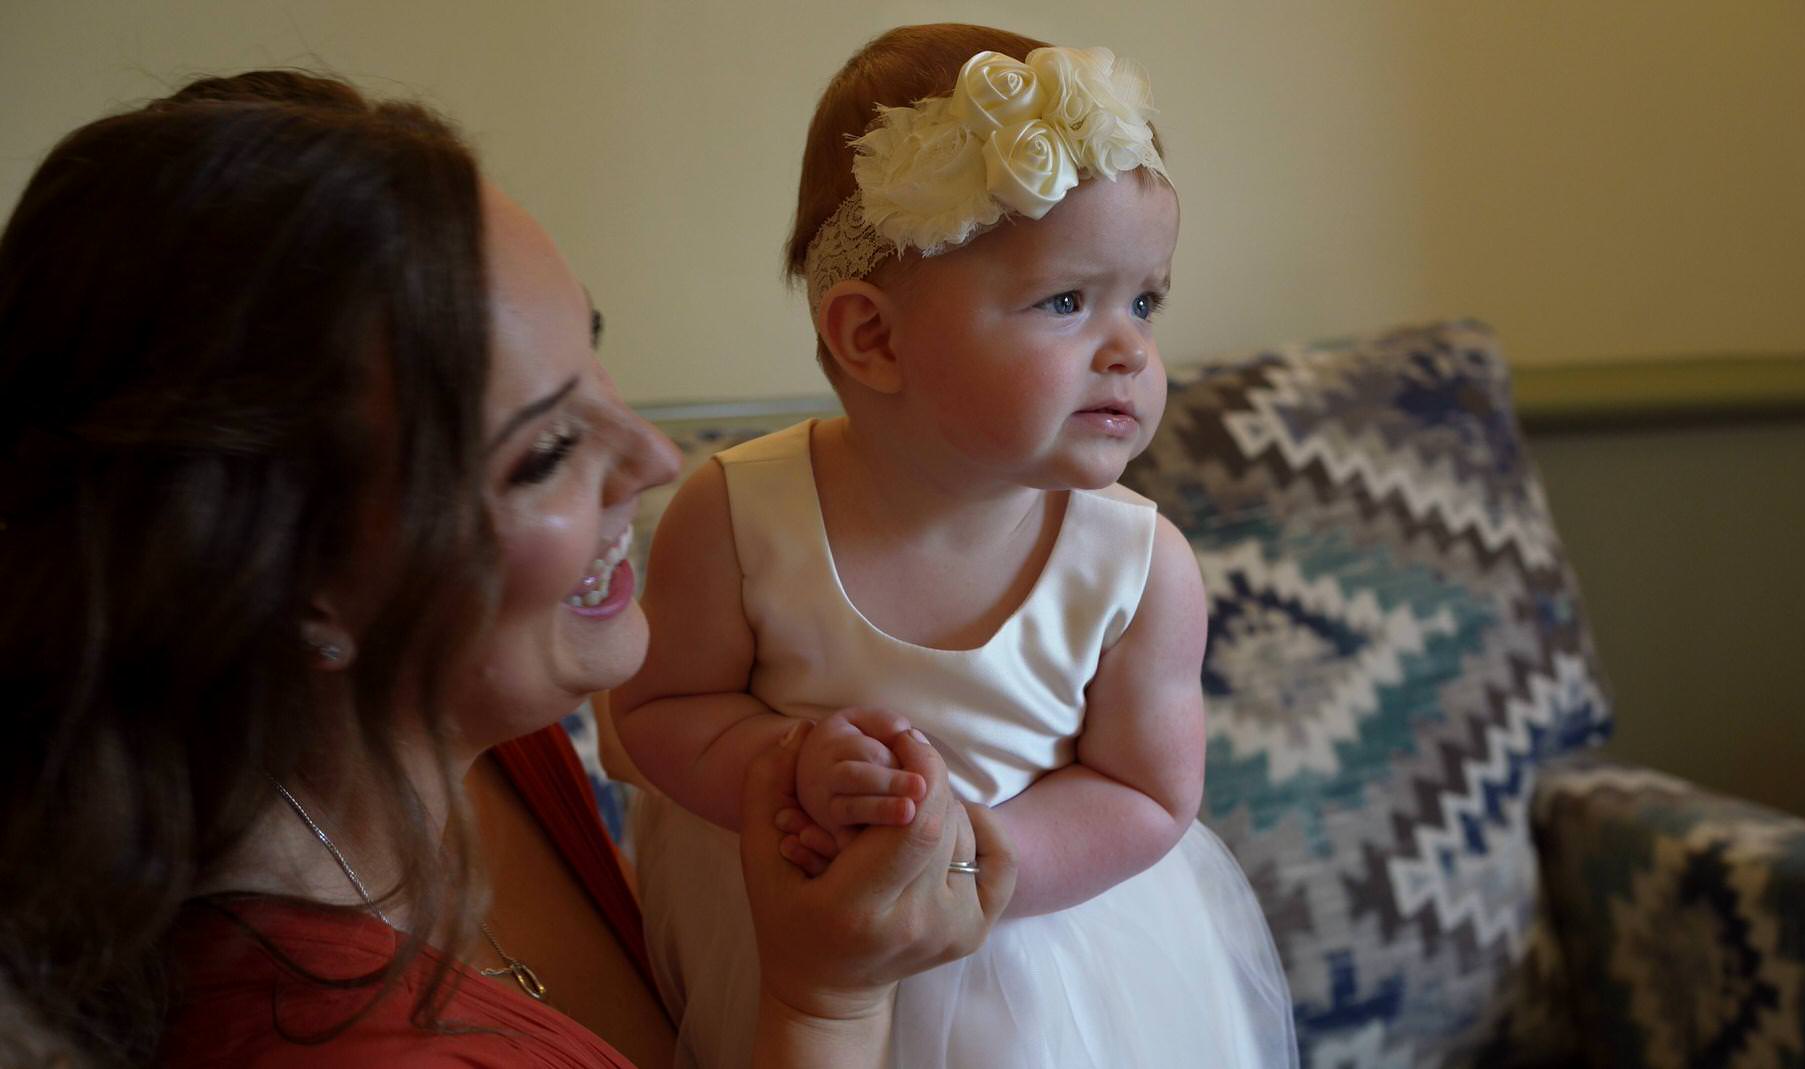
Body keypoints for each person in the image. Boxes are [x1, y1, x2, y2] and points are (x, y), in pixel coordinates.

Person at [0, 70, 1012, 1069]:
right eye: (543, 450)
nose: (656, 461)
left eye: (592, 354)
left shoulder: (476, 728)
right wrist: (828, 1003)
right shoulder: (307, 1034)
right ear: (287, 575)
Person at [617, 23, 1299, 1069]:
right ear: (873, 337)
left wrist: (983, 856)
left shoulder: (1137, 563)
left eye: (1146, 301)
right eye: (1067, 301)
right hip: (782, 944)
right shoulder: (736, 513)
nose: (1129, 349)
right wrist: (787, 765)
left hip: (1047, 963)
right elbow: (659, 713)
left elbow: (1148, 794)